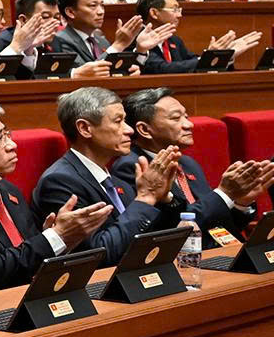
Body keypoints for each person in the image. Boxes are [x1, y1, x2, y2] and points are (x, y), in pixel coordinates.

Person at [0, 96, 110, 288]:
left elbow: (28, 253)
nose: (12, 145)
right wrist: (56, 237)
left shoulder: (8, 191)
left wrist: (56, 236)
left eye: (7, 134)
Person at [33, 86, 182, 261]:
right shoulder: (59, 182)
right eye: (118, 121)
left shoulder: (116, 182)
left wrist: (164, 200)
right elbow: (98, 255)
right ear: (85, 128)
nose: (129, 130)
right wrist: (146, 198)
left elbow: (152, 236)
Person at [114, 88, 274, 236]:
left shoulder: (187, 163)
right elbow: (174, 228)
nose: (189, 125)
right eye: (176, 118)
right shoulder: (133, 167)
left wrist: (241, 203)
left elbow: (215, 223)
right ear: (144, 130)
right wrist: (224, 194)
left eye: (186, 117)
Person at [133, 0, 261, 73]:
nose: (179, 15)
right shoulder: (136, 39)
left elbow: (193, 63)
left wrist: (224, 56)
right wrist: (208, 57)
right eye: (175, 10)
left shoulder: (174, 40)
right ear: (154, 13)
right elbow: (162, 69)